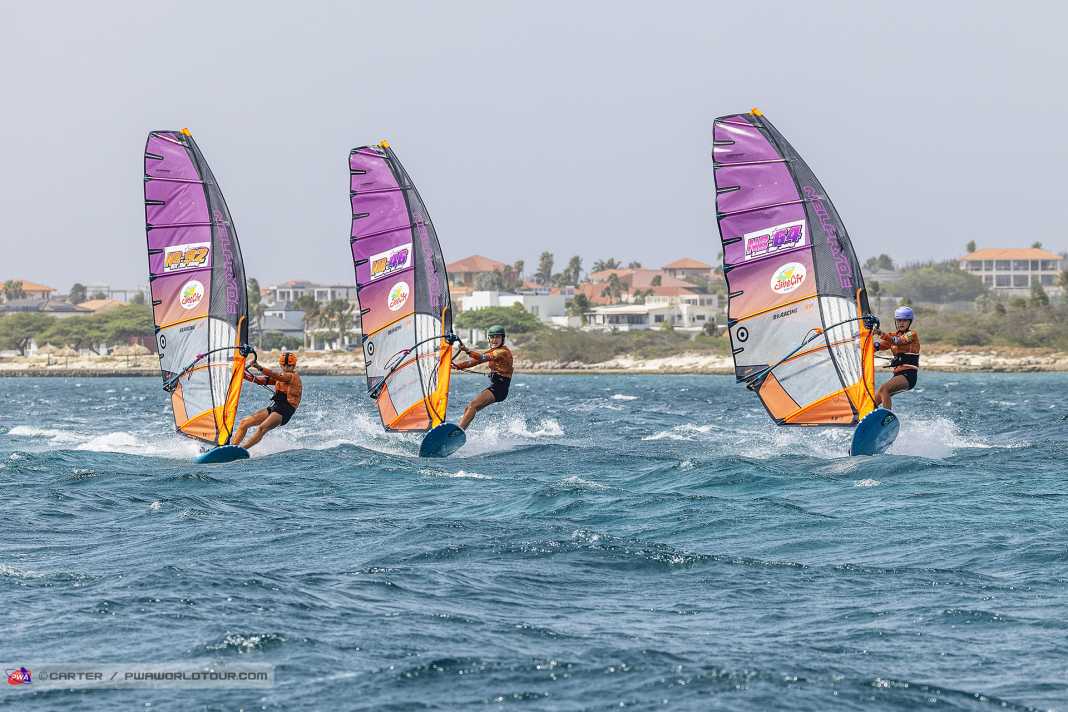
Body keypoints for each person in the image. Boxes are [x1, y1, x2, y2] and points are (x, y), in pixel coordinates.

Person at [232, 351, 303, 449]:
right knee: (244, 423)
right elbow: (261, 380)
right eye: (284, 365)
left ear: (294, 366)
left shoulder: (291, 377)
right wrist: (242, 374)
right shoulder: (282, 377)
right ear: (281, 365)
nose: (287, 368)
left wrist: (259, 367)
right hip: (276, 407)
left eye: (289, 366)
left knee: (261, 428)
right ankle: (232, 448)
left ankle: (242, 450)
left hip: (285, 410)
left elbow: (276, 375)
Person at [453, 325, 513, 430]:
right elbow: (474, 362)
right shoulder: (493, 351)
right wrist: (458, 366)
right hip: (496, 386)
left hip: (500, 388)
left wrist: (467, 350)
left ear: (502, 339)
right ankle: (461, 431)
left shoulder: (502, 352)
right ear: (489, 339)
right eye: (492, 337)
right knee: (469, 408)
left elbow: (481, 357)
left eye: (497, 337)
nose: (495, 340)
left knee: (473, 405)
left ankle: (458, 431)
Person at [872, 306, 920, 410]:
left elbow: (898, 341)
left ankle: (886, 417)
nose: (901, 323)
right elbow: (877, 346)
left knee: (883, 388)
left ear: (909, 322)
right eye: (899, 320)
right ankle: (864, 417)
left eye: (905, 321)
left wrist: (880, 333)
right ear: (895, 321)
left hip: (908, 376)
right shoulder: (892, 336)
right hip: (897, 375)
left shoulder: (912, 335)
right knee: (873, 401)